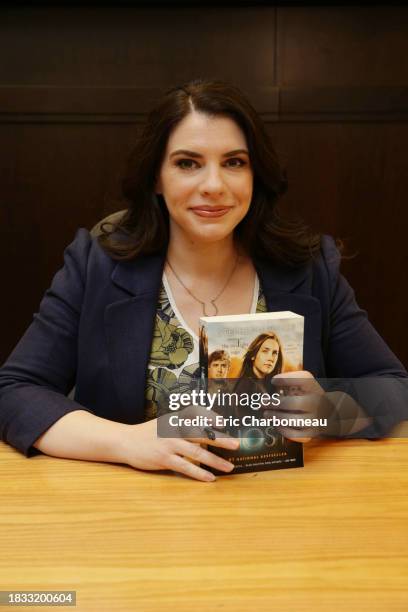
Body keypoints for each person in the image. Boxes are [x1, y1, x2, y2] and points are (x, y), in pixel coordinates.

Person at [0, 79, 406, 483]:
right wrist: (128, 442)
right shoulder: (97, 265)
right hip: (132, 518)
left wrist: (330, 411)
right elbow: (15, 390)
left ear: (255, 175)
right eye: (187, 163)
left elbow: (394, 390)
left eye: (234, 162)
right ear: (156, 178)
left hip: (280, 512)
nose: (214, 186)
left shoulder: (309, 267)